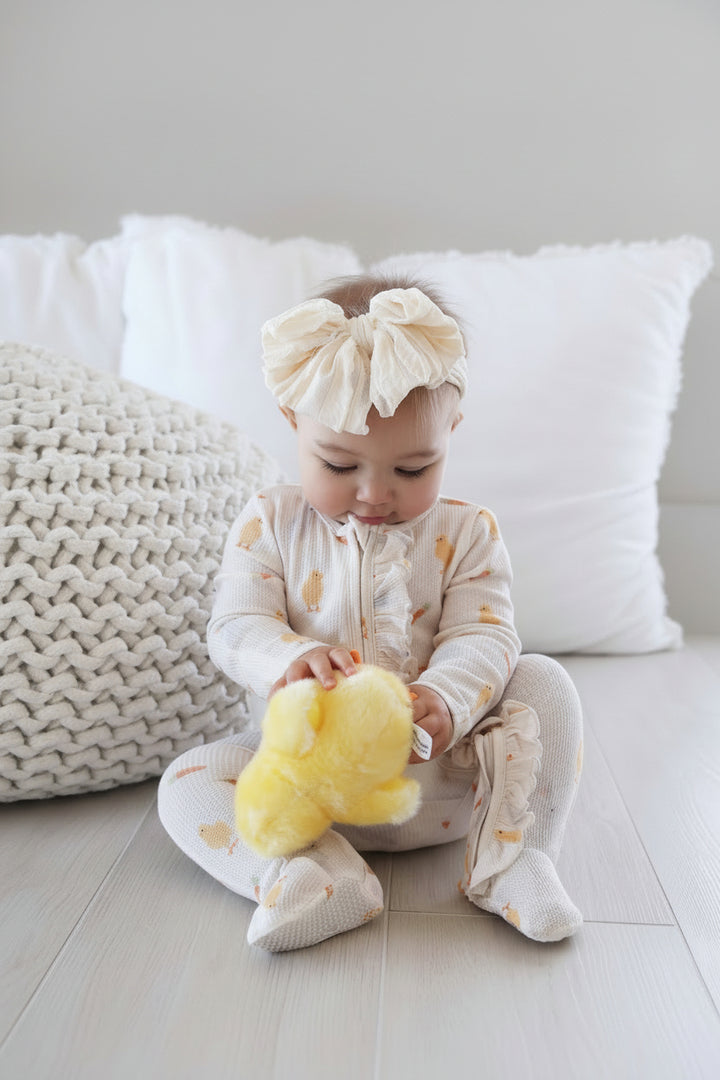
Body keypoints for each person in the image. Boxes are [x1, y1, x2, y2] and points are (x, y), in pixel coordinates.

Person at [158, 275, 584, 952]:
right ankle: (310, 876)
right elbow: (235, 626)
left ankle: (512, 859)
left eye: (414, 470)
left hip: (444, 781)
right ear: (294, 421)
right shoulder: (270, 521)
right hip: (310, 787)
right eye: (338, 462)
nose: (374, 494)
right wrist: (288, 659)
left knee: (545, 683)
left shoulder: (468, 530)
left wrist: (446, 699)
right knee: (187, 780)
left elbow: (484, 631)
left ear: (451, 433)